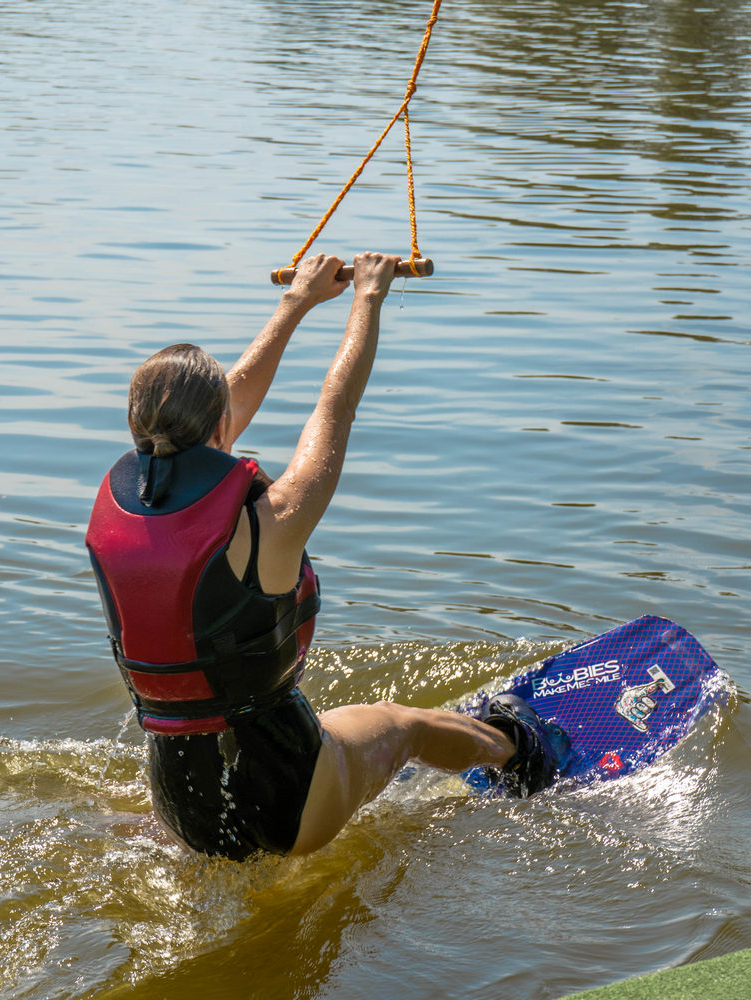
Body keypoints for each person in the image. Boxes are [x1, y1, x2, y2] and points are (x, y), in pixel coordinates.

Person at [86, 252, 566, 860]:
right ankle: (522, 754)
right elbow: (334, 407)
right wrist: (368, 297)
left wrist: (298, 301)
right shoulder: (273, 524)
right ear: (219, 426)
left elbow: (214, 415)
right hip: (287, 795)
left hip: (180, 801)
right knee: (401, 725)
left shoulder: (123, 512)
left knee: (307, 725)